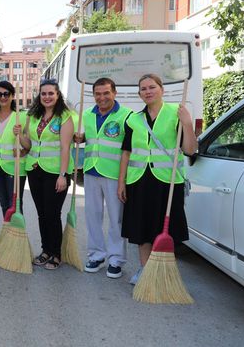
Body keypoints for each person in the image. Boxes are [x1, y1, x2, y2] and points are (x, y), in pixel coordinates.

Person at [117, 74, 197, 285]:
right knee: (141, 230)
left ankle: (162, 273)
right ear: (139, 93)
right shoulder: (134, 119)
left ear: (161, 89)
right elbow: (126, 152)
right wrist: (121, 182)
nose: (148, 91)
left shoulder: (176, 113)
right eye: (143, 88)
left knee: (165, 230)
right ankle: (145, 271)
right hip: (139, 181)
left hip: (167, 183)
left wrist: (187, 124)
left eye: (152, 87)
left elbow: (189, 150)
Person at [74, 78, 132, 279]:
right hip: (91, 171)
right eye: (98, 94)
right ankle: (96, 255)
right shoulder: (88, 115)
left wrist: (124, 180)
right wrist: (80, 138)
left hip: (114, 174)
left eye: (106, 93)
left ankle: (116, 259)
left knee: (116, 218)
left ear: (114, 93)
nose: (102, 97)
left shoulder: (126, 116)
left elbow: (128, 149)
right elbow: (91, 138)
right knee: (92, 216)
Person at [16, 78, 74, 270]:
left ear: (58, 95)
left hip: (56, 172)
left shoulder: (64, 116)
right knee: (42, 213)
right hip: (35, 170)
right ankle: (46, 250)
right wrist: (20, 135)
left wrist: (62, 175)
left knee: (52, 213)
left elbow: (66, 147)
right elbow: (29, 145)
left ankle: (56, 253)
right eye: (43, 93)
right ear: (39, 96)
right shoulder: (32, 116)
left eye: (51, 93)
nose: (47, 97)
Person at [0, 81, 27, 217]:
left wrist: (20, 135)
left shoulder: (21, 116)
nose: (3, 97)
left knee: (15, 205)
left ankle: (18, 236)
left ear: (12, 96)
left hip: (14, 168)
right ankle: (8, 235)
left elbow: (29, 145)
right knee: (4, 205)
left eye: (6, 94)